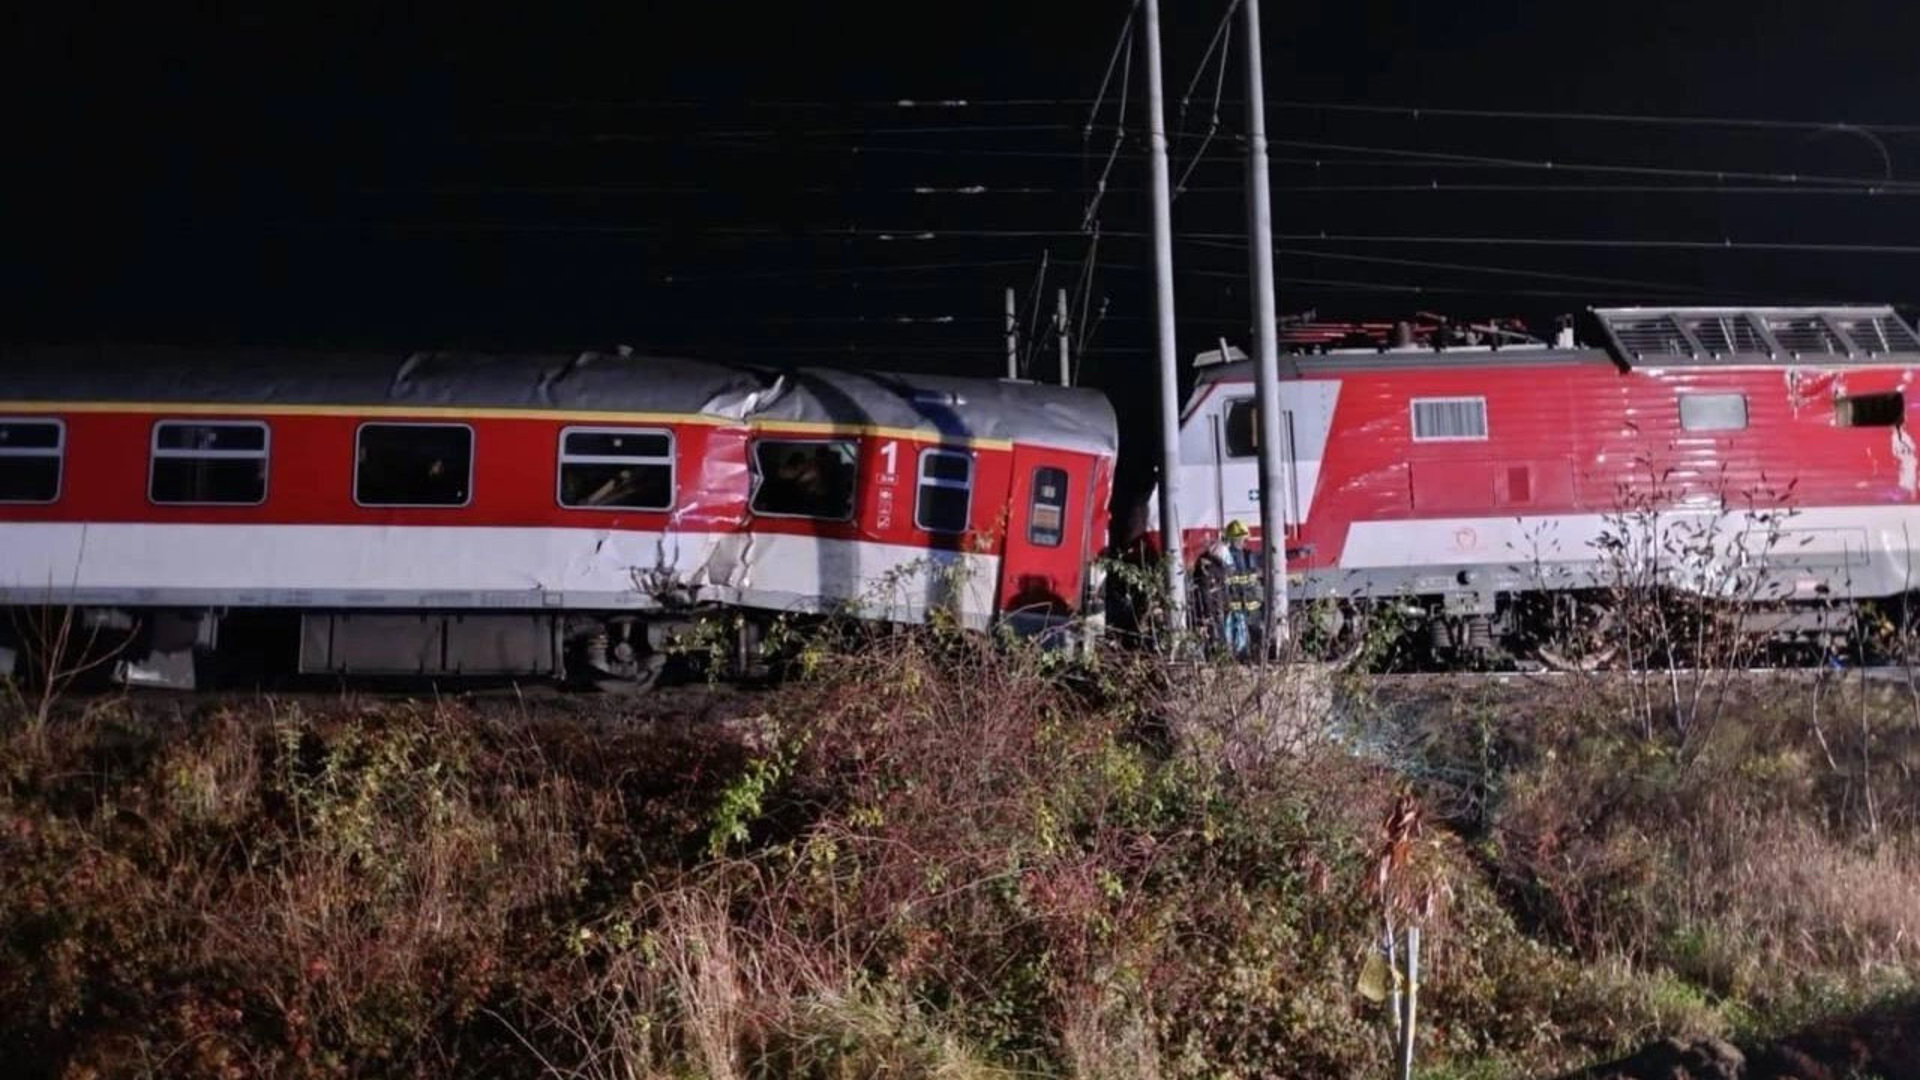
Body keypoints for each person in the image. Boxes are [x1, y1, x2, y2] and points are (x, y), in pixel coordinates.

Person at [1212, 519, 1263, 659]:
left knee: (1251, 637)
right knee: (1236, 639)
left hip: (1250, 606)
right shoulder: (1224, 556)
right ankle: (1239, 660)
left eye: (1243, 539)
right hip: (1236, 606)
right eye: (1238, 539)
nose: (1241, 542)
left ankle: (1247, 658)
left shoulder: (1247, 555)